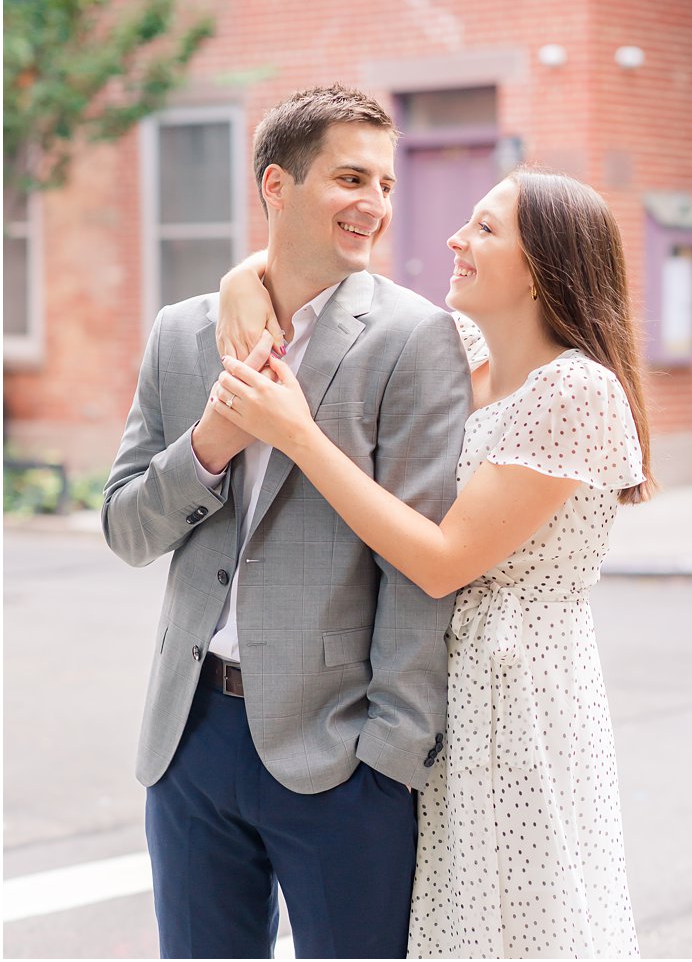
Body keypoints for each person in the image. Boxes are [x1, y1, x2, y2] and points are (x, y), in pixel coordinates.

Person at [211, 168, 653, 958]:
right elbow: (340, 290)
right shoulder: (466, 354)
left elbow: (445, 559)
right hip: (440, 683)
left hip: (517, 696)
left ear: (544, 264)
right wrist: (242, 276)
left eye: (485, 228)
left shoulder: (577, 391)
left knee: (517, 920)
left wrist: (299, 434)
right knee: (445, 923)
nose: (455, 239)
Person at [101, 85, 473, 958]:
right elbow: (125, 527)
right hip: (188, 740)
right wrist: (208, 445)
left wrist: (389, 754)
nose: (374, 205)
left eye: (383, 184)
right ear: (277, 184)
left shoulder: (415, 340)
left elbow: (419, 563)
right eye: (351, 178)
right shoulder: (183, 334)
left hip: (340, 753)